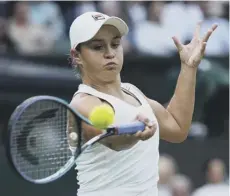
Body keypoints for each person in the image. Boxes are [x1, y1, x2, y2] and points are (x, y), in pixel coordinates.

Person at [68, 11, 217, 196]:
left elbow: (177, 127)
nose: (110, 53)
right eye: (98, 47)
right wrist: (135, 135)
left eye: (115, 44)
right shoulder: (82, 104)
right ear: (77, 56)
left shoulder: (134, 92)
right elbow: (114, 140)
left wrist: (188, 67)